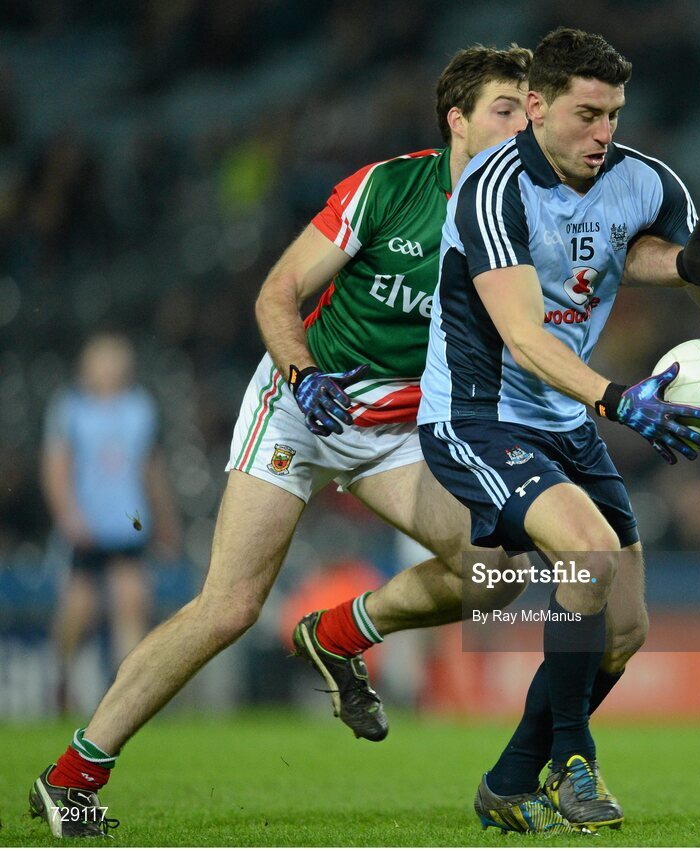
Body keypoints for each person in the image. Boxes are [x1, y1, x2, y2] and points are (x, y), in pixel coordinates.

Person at [29, 45, 560, 839]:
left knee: (500, 572)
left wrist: (684, 261)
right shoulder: (388, 187)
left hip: (397, 435)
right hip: (301, 410)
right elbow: (279, 291)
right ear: (458, 119)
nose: (524, 126)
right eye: (506, 110)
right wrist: (303, 371)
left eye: (531, 112)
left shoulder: (527, 217)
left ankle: (341, 632)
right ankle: (71, 777)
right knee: (229, 607)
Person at [416, 27, 700, 832]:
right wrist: (620, 400)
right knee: (586, 551)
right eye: (587, 114)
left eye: (614, 114)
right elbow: (524, 334)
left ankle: (509, 777)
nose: (603, 133)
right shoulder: (492, 188)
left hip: (563, 417)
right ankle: (574, 768)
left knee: (624, 630)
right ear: (537, 108)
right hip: (478, 415)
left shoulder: (644, 182)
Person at [41, 333, 180, 713]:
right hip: (86, 523)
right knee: (78, 610)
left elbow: (151, 467)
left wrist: (164, 519)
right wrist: (68, 515)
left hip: (128, 520)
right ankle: (61, 679)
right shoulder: (70, 408)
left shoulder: (140, 407)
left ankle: (127, 696)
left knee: (132, 602)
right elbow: (56, 466)